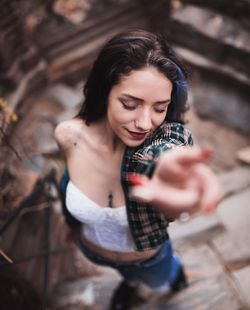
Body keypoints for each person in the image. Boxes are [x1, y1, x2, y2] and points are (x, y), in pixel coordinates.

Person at [55, 30, 221, 309]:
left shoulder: (164, 139)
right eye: (130, 104)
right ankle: (129, 283)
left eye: (160, 108)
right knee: (128, 277)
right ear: (104, 91)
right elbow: (67, 178)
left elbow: (162, 155)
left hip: (149, 258)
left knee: (161, 280)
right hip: (94, 251)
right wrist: (72, 221)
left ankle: (173, 271)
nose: (145, 123)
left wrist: (168, 175)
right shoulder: (68, 136)